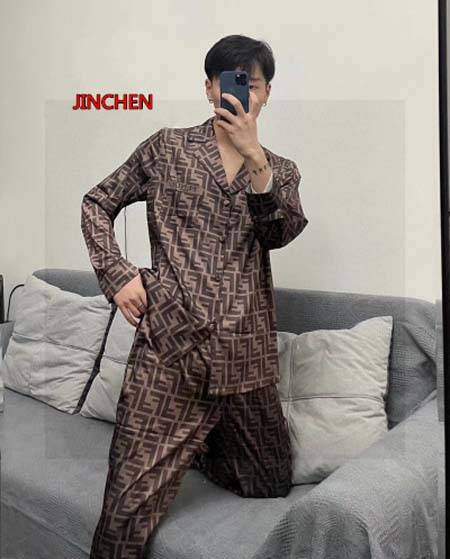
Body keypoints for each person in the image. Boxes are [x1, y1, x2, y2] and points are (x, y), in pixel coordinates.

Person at [81, 33, 308, 559]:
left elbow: (279, 233)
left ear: (266, 93)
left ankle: (199, 442)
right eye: (230, 83)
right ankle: (183, 437)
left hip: (244, 354)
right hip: (170, 350)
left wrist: (256, 161)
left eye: (252, 85)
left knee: (269, 480)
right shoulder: (166, 148)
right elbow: (97, 202)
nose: (242, 94)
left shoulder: (281, 171)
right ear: (209, 89)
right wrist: (117, 274)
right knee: (126, 509)